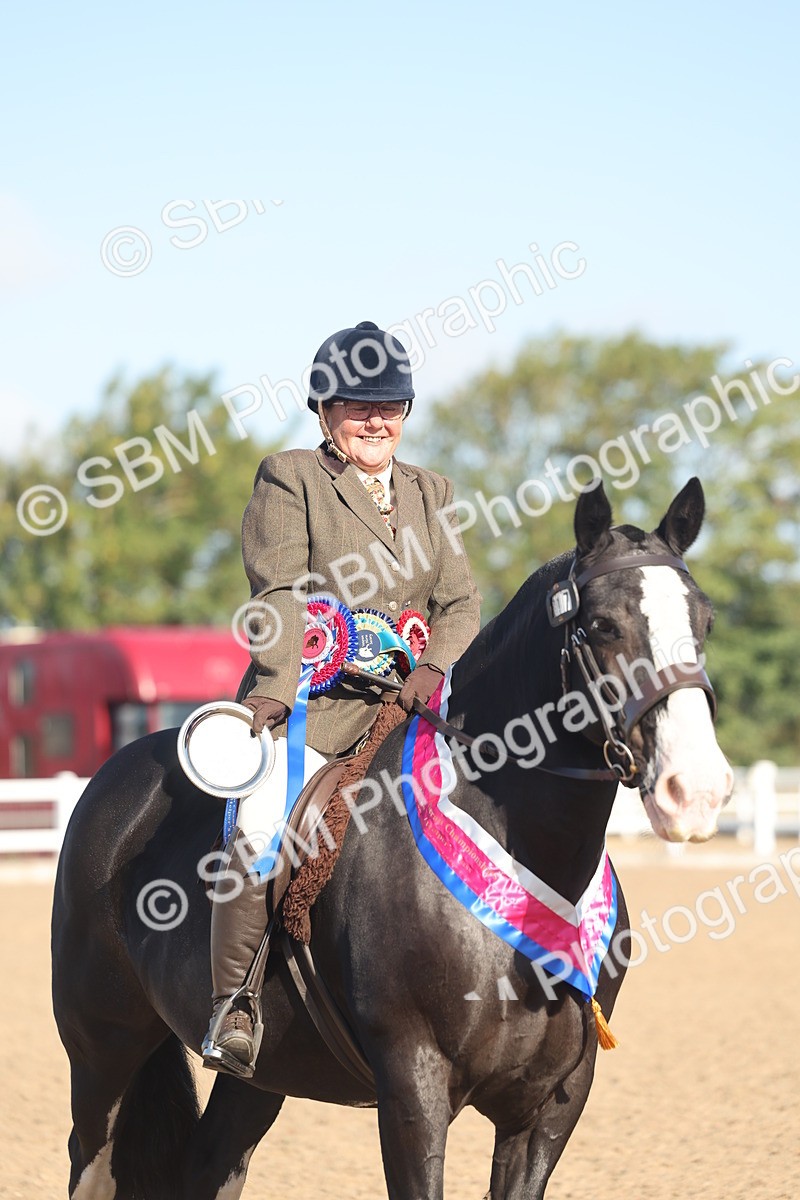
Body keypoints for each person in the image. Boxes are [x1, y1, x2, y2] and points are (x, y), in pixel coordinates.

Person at [201, 320, 481, 1076]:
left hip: (414, 713)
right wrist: (273, 690)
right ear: (324, 412)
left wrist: (433, 672)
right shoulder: (290, 478)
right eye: (357, 406)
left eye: (389, 406)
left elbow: (459, 604)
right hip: (316, 708)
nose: (375, 420)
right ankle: (237, 1007)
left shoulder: (431, 491)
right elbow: (281, 593)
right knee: (261, 824)